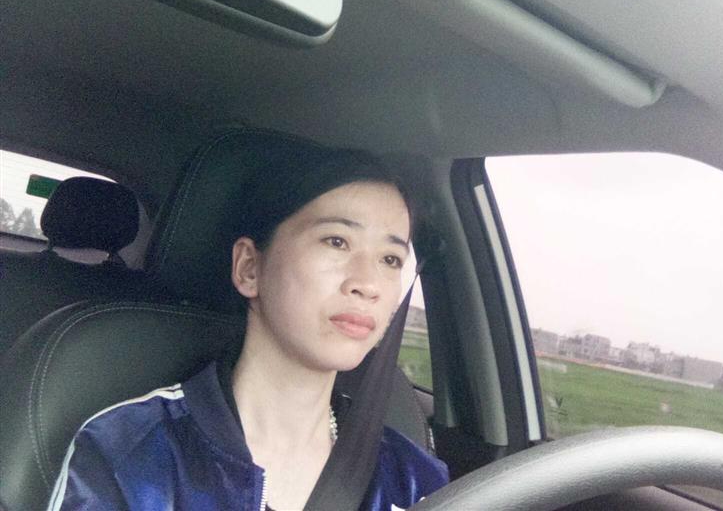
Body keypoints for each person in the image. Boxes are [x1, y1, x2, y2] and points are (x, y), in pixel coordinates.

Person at [47, 148, 449, 511]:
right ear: (249, 267)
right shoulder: (132, 457)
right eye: (336, 241)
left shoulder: (414, 480)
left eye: (391, 259)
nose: (368, 284)